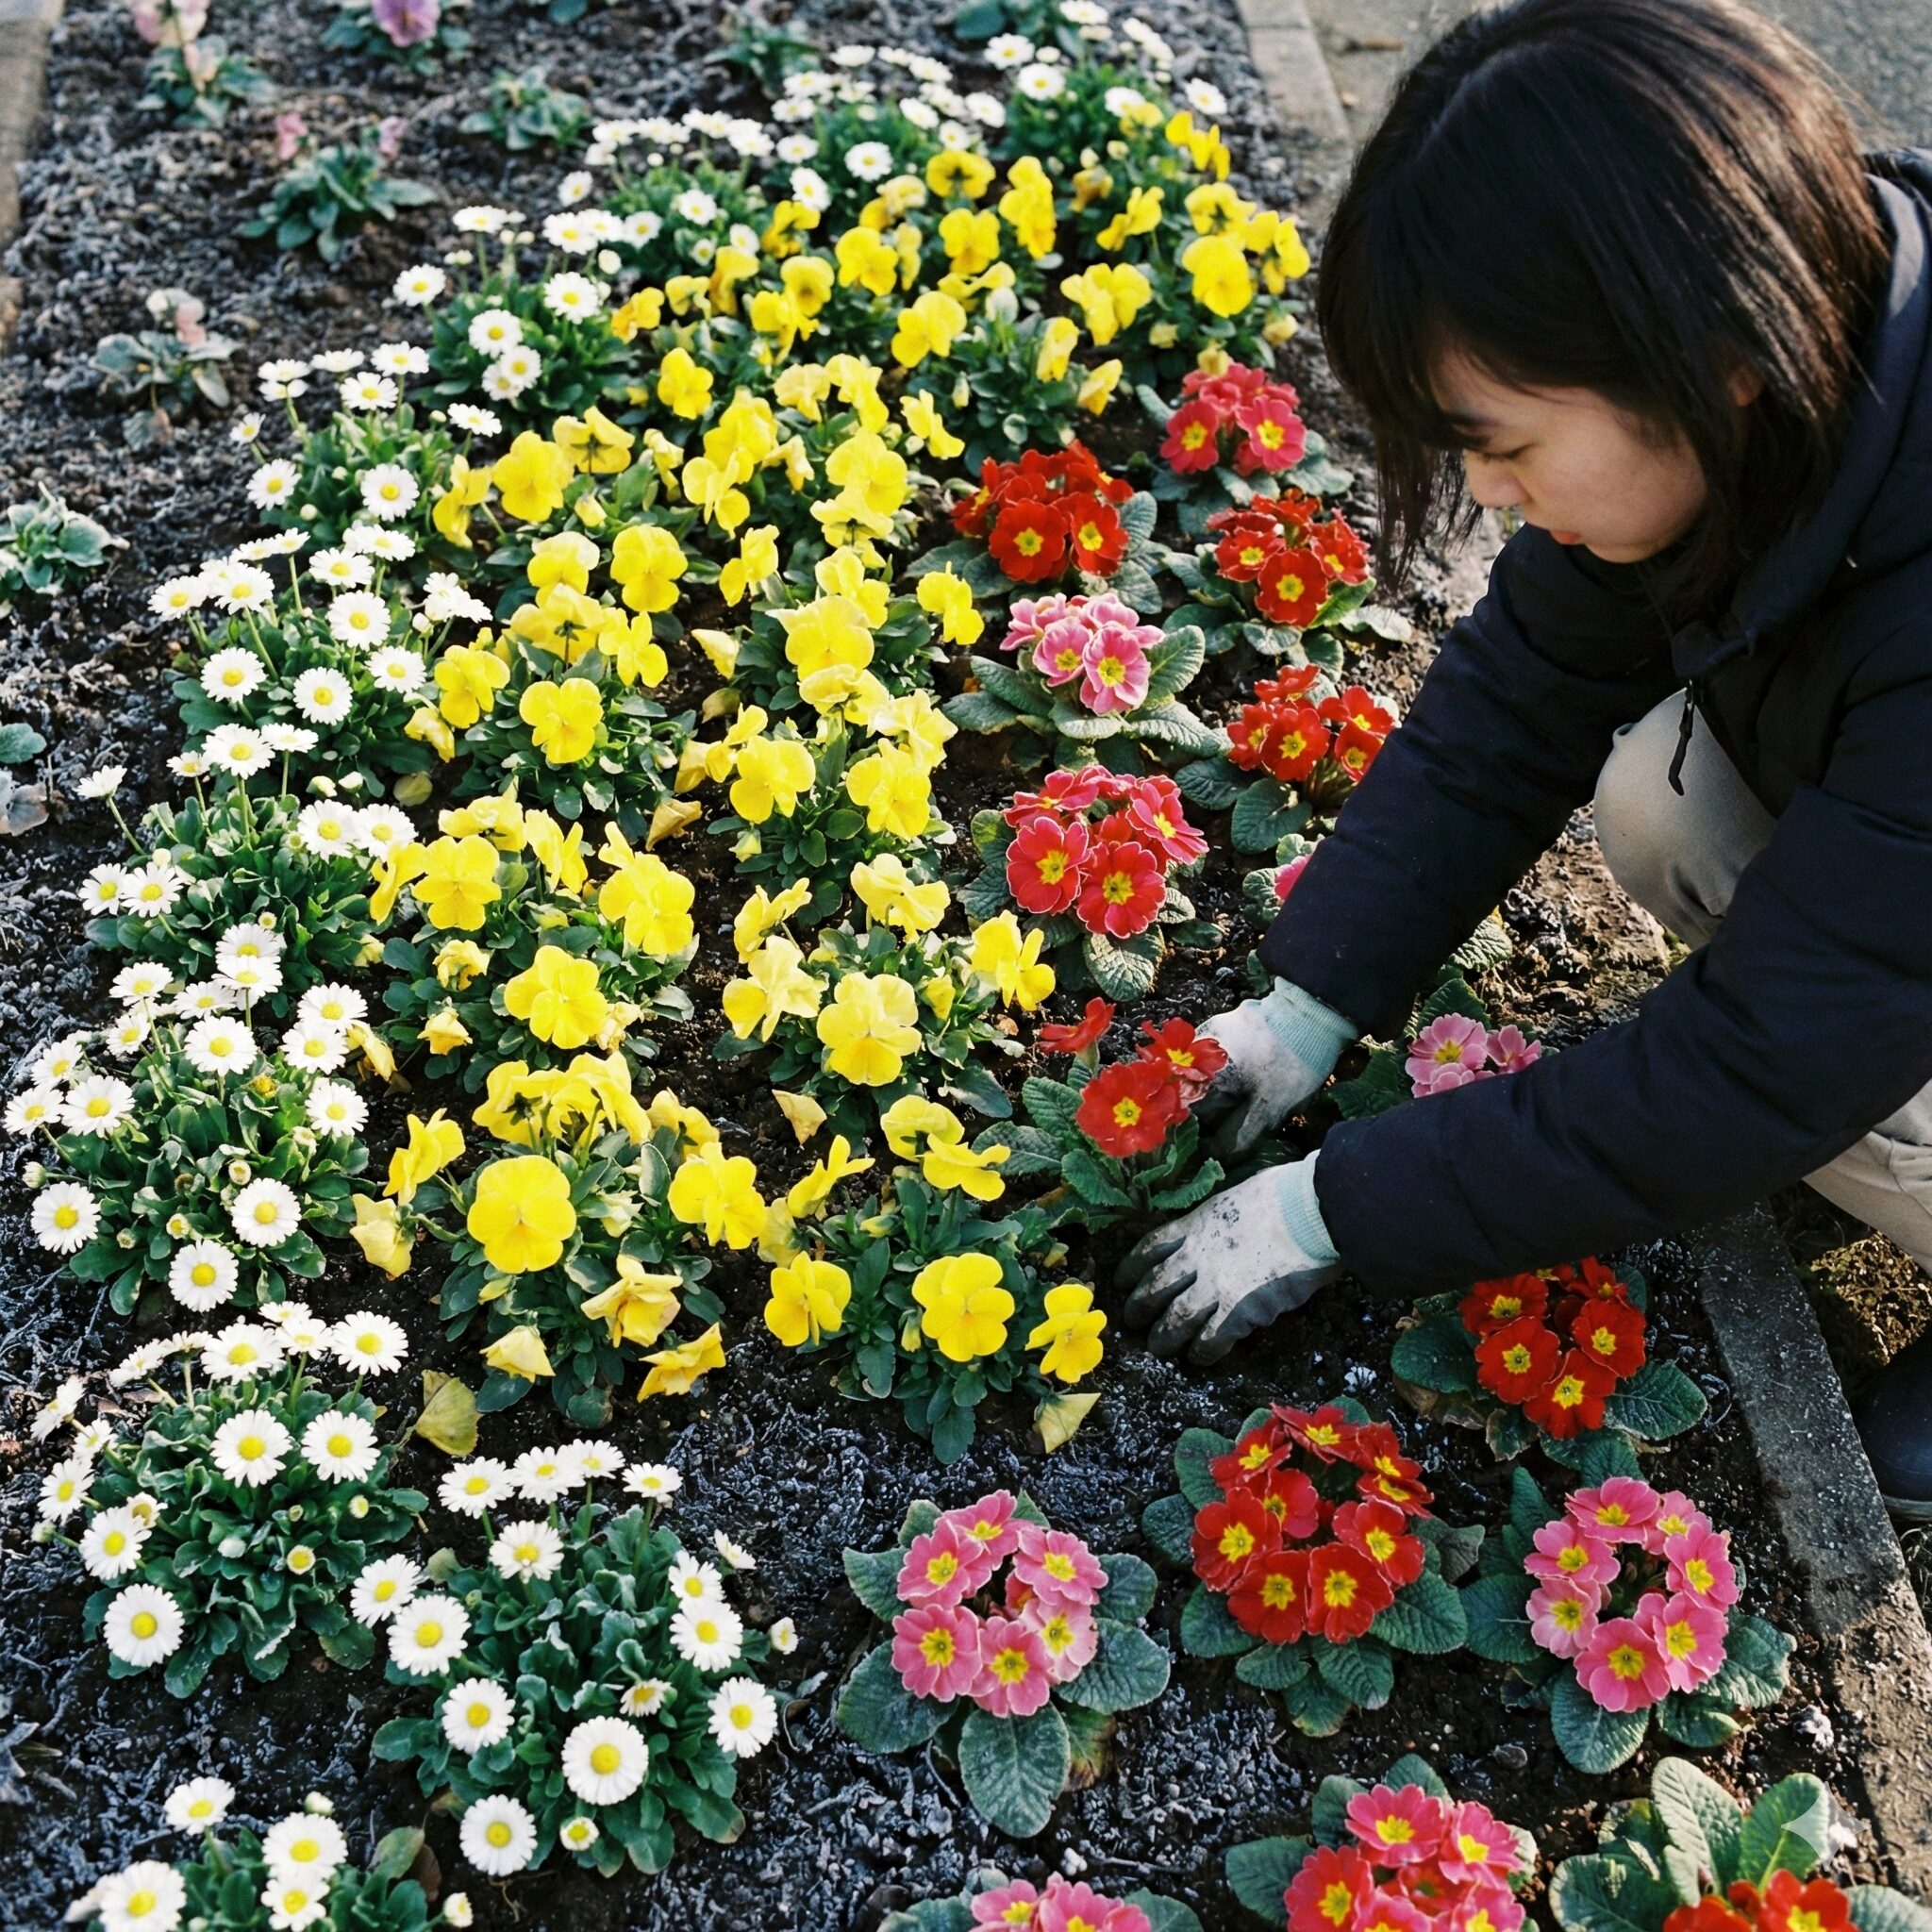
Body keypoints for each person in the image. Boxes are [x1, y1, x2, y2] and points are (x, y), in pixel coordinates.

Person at [1116, 0, 1932, 1517]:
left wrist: (1333, 1211)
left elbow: (1753, 1075)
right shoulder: (1788, 347)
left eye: (1500, 445)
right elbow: (1524, 689)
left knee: (1832, 1065)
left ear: (1710, 359)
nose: (1486, 493)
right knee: (1660, 793)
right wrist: (1310, 1004)